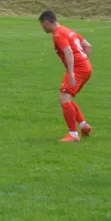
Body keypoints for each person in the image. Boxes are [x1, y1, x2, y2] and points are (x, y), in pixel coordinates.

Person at [39, 10, 93, 142]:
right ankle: (83, 125)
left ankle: (73, 135)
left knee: (64, 98)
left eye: (42, 24)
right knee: (66, 97)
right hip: (85, 67)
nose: (42, 27)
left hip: (78, 69)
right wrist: (84, 60)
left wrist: (72, 72)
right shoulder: (68, 30)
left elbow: (68, 51)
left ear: (46, 22)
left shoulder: (58, 34)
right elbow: (87, 45)